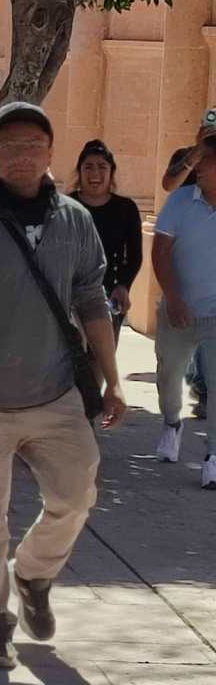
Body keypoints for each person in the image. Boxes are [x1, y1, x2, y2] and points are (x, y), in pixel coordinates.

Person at [0, 101, 125, 669]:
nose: (21, 156)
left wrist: (113, 381)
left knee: (77, 495)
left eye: (33, 146)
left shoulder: (75, 221)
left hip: (56, 396)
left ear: (51, 152)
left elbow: (92, 302)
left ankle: (34, 573)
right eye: (8, 146)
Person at [152, 133, 216, 489]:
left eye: (209, 160)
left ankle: (213, 456)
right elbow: (160, 252)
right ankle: (172, 422)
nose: (201, 167)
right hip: (178, 306)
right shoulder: (180, 199)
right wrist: (173, 299)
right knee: (168, 374)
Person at [160, 111, 216, 419]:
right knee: (176, 351)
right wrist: (198, 151)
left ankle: (204, 391)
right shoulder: (187, 156)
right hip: (182, 256)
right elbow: (169, 184)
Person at [70, 140, 143, 347]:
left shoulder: (126, 208)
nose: (95, 173)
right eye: (88, 166)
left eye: (102, 166)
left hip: (110, 296)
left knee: (101, 357)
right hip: (70, 296)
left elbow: (135, 255)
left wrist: (124, 285)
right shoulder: (65, 207)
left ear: (111, 172)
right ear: (79, 171)